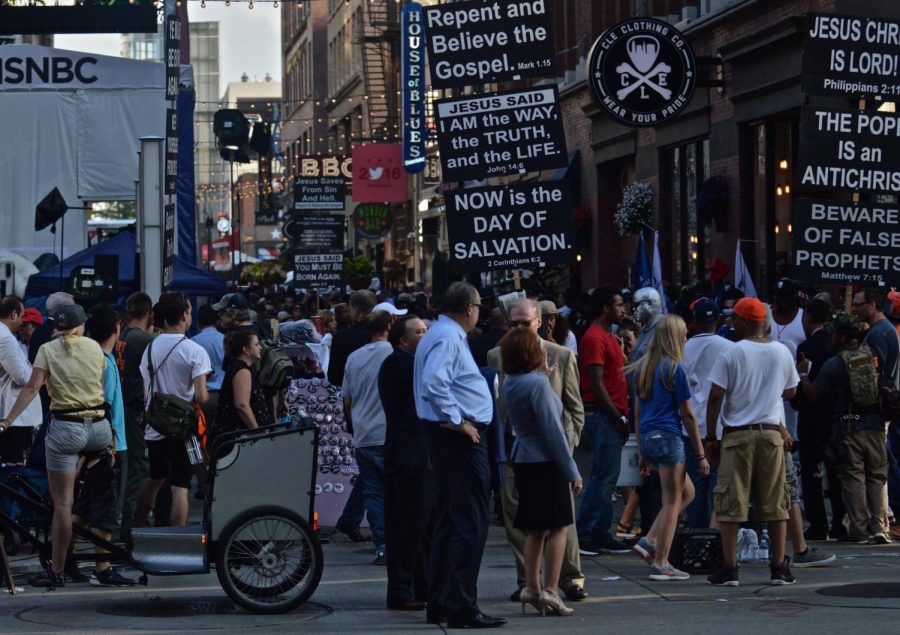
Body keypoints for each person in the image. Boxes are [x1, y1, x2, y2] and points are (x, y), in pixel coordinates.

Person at [414, 281, 506, 629]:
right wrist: (458, 422)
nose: (479, 313)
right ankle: (462, 606)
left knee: (450, 522)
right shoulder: (447, 337)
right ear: (470, 308)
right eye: (479, 307)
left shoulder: (441, 334)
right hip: (459, 439)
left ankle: (442, 601)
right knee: (470, 523)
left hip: (449, 436)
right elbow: (434, 383)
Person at [1, 304, 112, 588]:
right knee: (98, 498)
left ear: (58, 327)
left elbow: (31, 388)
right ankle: (102, 564)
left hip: (66, 429)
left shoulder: (47, 350)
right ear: (81, 326)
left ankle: (57, 569)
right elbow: (99, 386)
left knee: (63, 503)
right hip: (99, 430)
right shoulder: (96, 349)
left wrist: (8, 421)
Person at [487, 298, 587, 603]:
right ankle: (532, 584)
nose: (519, 329)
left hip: (549, 450)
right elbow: (498, 407)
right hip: (517, 450)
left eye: (524, 323)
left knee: (556, 524)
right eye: (513, 323)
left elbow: (573, 407)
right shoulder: (498, 356)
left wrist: (569, 446)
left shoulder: (561, 355)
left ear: (539, 322)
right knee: (528, 523)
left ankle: (566, 579)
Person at [704, 297, 798, 586]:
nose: (731, 322)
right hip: (771, 434)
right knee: (775, 501)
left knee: (731, 502)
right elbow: (791, 392)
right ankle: (779, 567)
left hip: (738, 436)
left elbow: (716, 398)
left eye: (735, 318)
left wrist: (710, 437)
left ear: (745, 321)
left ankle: (729, 568)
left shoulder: (732, 353)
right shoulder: (782, 352)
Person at [799, 312, 891, 544]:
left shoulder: (835, 364)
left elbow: (813, 393)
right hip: (877, 425)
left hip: (850, 426)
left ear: (840, 337)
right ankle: (879, 526)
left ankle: (859, 530)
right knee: (877, 476)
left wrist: (803, 374)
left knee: (853, 477)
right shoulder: (874, 354)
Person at [629, 315, 708, 580]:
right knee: (674, 501)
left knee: (687, 493)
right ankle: (661, 562)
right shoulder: (676, 369)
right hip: (670, 438)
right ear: (675, 337)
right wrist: (701, 454)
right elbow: (688, 414)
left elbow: (638, 414)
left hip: (649, 438)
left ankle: (649, 539)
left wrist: (641, 449)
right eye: (684, 333)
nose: (686, 337)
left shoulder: (643, 368)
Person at [135, 292, 211, 529]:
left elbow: (147, 391)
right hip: (183, 431)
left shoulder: (149, 348)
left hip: (155, 428)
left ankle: (136, 528)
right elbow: (200, 396)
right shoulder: (194, 351)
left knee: (155, 480)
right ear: (185, 314)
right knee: (180, 487)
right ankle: (175, 540)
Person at [78, 304, 135, 586]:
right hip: (112, 445)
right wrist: (110, 447)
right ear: (116, 329)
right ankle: (102, 568)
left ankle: (65, 559)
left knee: (85, 509)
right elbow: (106, 405)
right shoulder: (105, 361)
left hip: (97, 443)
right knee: (107, 510)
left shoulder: (96, 358)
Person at [378, 314, 431, 611]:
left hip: (414, 454)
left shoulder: (405, 363)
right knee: (408, 527)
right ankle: (403, 589)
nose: (425, 336)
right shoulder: (402, 364)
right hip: (408, 456)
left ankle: (418, 586)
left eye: (426, 330)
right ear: (402, 339)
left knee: (420, 526)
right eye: (419, 332)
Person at [576, 286, 631, 555]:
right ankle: (585, 533)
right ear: (606, 308)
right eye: (619, 305)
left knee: (609, 479)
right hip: (602, 415)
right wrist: (617, 415)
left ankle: (600, 532)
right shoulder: (595, 337)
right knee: (602, 478)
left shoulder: (609, 336)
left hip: (610, 415)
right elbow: (596, 383)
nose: (624, 309)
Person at [342, 310, 394, 565]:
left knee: (373, 493)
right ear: (390, 326)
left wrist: (354, 426)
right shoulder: (395, 355)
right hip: (389, 433)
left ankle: (382, 545)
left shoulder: (354, 357)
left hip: (364, 433)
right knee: (396, 491)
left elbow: (347, 399)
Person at [794, 298, 845, 540]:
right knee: (836, 472)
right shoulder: (838, 346)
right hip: (836, 416)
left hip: (811, 417)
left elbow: (799, 387)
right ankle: (839, 523)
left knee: (811, 473)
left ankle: (817, 524)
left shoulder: (806, 347)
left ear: (807, 318)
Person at [329, 290, 377, 543]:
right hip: (381, 410)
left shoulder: (343, 339)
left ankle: (350, 517)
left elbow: (334, 378)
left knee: (371, 468)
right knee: (375, 468)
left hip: (356, 408)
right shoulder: (382, 338)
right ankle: (356, 519)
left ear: (355, 311)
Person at [682, 299, 733, 529]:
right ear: (718, 321)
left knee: (695, 488)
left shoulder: (683, 347)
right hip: (719, 427)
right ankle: (716, 539)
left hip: (690, 427)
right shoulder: (730, 348)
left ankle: (696, 537)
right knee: (718, 487)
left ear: (695, 322)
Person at [853, 287, 900, 531]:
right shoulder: (880, 330)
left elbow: (874, 375)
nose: (855, 309)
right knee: (881, 463)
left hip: (877, 408)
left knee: (879, 465)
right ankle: (885, 516)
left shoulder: (879, 334)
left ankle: (885, 518)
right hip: (882, 407)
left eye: (859, 304)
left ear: (872, 305)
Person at [116, 292, 154, 538]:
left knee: (124, 467)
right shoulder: (144, 340)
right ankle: (130, 526)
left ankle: (122, 520)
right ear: (149, 312)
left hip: (120, 409)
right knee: (138, 469)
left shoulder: (121, 337)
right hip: (136, 411)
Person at [209, 329, 273, 442]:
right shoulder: (242, 371)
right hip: (237, 438)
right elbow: (242, 405)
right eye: (256, 344)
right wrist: (258, 432)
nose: (260, 348)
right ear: (246, 350)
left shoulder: (238, 367)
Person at [0, 297, 43, 466]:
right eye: (21, 316)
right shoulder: (6, 338)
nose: (22, 322)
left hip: (9, 411)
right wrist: (39, 372)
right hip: (13, 413)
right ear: (13, 314)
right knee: (13, 466)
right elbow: (22, 377)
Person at [769, 279, 806, 442]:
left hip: (795, 386)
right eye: (778, 296)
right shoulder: (766, 316)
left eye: (785, 296)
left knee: (794, 432)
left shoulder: (804, 317)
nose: (780, 300)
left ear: (794, 297)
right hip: (769, 384)